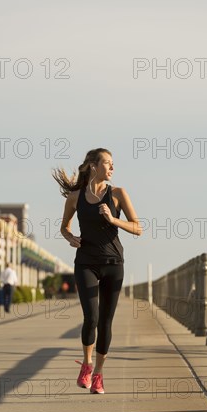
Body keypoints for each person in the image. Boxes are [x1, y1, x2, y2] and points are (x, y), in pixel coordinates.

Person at [52, 148, 142, 394]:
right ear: (93, 165)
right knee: (91, 317)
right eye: (108, 163)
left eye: (113, 164)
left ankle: (99, 374)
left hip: (114, 263)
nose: (112, 168)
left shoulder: (118, 194)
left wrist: (113, 220)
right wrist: (70, 237)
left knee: (105, 321)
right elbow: (64, 227)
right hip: (86, 262)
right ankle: (87, 365)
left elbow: (137, 228)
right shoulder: (75, 197)